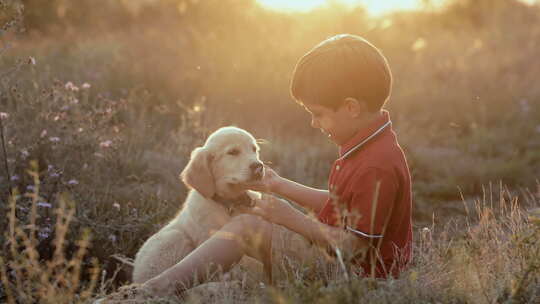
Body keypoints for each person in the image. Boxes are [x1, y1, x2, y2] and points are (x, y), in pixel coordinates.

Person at [99, 34, 412, 301]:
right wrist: (280, 186)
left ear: (351, 108)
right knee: (254, 224)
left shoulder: (376, 166)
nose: (313, 123)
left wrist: (291, 218)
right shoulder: (367, 143)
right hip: (341, 261)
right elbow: (342, 204)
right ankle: (166, 284)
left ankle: (148, 293)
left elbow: (355, 247)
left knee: (248, 226)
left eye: (318, 114)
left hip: (357, 278)